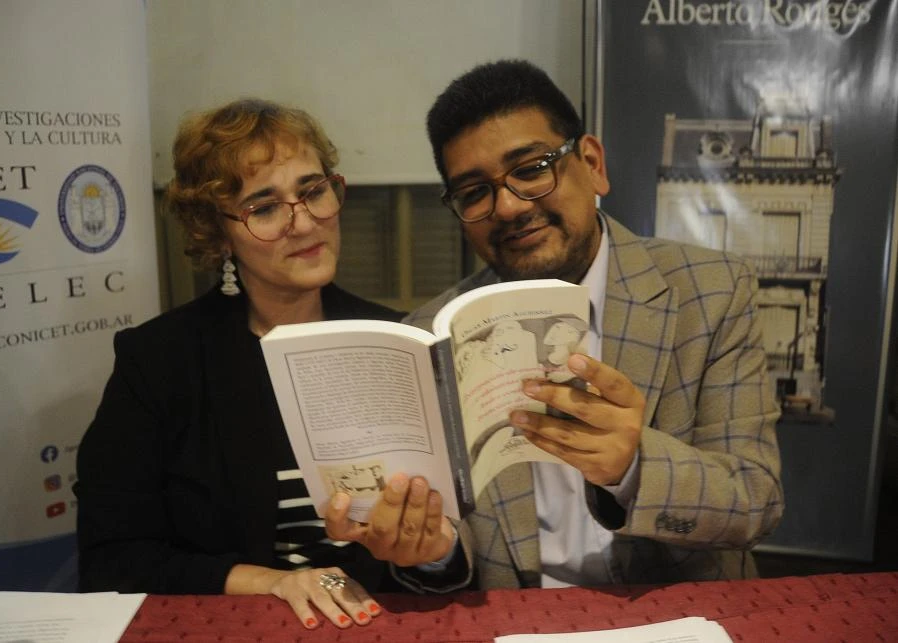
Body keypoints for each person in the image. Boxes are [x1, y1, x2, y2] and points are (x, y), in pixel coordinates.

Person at [325, 60, 784, 590]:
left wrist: (632, 467)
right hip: (517, 617)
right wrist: (433, 550)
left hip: (675, 610)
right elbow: (452, 535)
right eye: (474, 192)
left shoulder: (710, 292)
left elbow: (755, 500)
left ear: (591, 164)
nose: (508, 205)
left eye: (532, 167)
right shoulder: (432, 336)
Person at [75, 98, 403, 628]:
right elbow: (114, 559)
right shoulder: (158, 361)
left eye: (313, 191)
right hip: (236, 623)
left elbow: (452, 545)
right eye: (265, 207)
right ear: (217, 232)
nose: (303, 223)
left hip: (378, 618)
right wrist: (270, 581)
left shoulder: (396, 341)